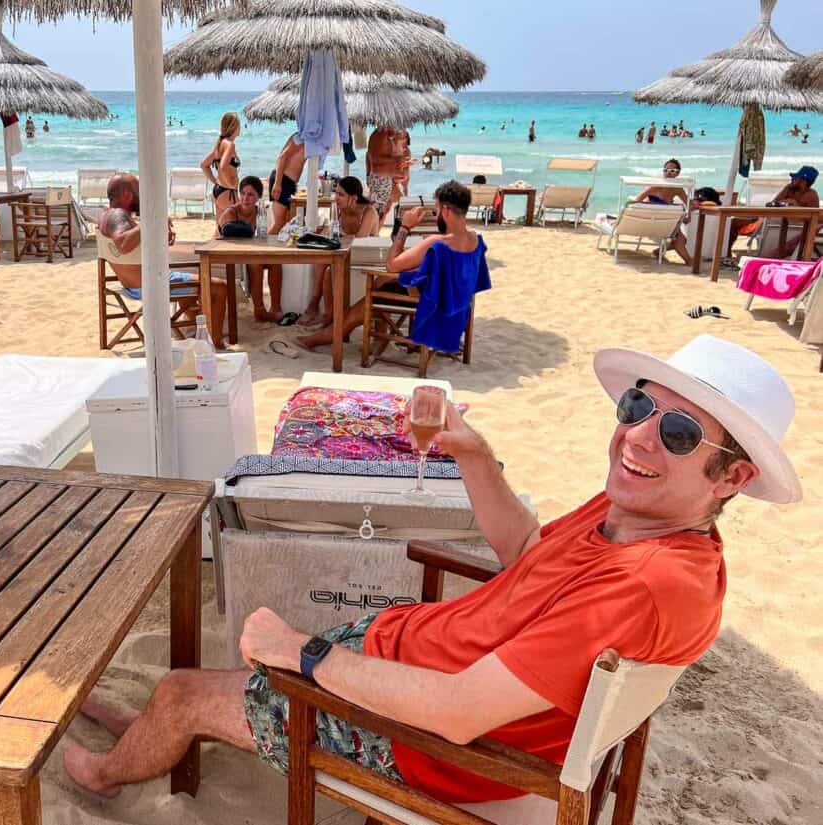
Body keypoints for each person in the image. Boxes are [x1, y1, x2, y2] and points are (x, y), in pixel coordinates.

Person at [65, 309, 801, 809]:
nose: (636, 438)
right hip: (408, 664)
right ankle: (155, 718)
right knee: (220, 673)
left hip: (425, 740)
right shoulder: (646, 524)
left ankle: (103, 772)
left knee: (192, 691)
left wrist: (306, 652)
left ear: (732, 476)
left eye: (676, 433)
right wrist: (475, 456)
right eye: (637, 408)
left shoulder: (644, 583)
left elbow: (456, 713)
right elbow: (525, 553)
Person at [298, 180, 477, 350]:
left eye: (437, 210)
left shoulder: (436, 242)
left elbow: (392, 264)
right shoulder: (474, 240)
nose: (435, 214)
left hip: (421, 300)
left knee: (377, 287)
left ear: (445, 211)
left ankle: (329, 334)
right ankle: (345, 328)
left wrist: (405, 227)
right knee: (382, 281)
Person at [98, 173, 228, 349]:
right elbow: (123, 243)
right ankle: (217, 344)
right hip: (150, 286)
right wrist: (154, 220)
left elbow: (133, 244)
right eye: (139, 192)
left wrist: (157, 228)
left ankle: (195, 331)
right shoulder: (118, 215)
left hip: (136, 283)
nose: (142, 196)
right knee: (219, 286)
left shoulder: (107, 215)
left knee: (190, 283)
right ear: (128, 195)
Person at [298, 176, 381, 329]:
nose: (336, 198)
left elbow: (360, 239)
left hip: (364, 257)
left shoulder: (369, 212)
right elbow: (335, 235)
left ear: (354, 197)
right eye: (336, 193)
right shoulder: (340, 211)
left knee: (329, 270)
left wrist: (338, 235)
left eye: (341, 194)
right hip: (345, 254)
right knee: (322, 260)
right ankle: (319, 307)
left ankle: (325, 313)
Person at [219, 176, 284, 323]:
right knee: (255, 263)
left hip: (247, 254)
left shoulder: (260, 212)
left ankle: (275, 307)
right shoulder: (231, 213)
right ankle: (259, 310)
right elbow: (227, 237)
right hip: (228, 255)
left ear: (258, 197)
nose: (245, 198)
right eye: (243, 193)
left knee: (276, 262)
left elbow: (264, 236)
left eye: (250, 194)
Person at [730, 165, 820, 259]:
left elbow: (812, 219)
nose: (792, 179)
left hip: (796, 228)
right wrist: (785, 202)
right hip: (782, 222)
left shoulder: (811, 196)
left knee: (734, 223)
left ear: (803, 181)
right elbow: (772, 204)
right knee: (734, 223)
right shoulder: (789, 189)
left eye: (795, 177)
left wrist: (795, 204)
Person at [664, 186, 722, 268]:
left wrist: (690, 210)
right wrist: (690, 210)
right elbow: (685, 220)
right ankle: (689, 261)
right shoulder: (686, 200)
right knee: (680, 240)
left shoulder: (687, 200)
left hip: (667, 221)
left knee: (681, 240)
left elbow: (685, 220)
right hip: (667, 221)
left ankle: (659, 251)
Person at [201, 112, 242, 219]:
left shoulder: (220, 144)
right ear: (234, 127)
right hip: (228, 193)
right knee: (234, 228)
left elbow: (204, 165)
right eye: (239, 124)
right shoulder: (230, 145)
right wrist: (230, 185)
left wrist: (216, 181)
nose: (240, 127)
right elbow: (223, 166)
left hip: (218, 191)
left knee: (220, 230)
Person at [268, 134, 306, 234]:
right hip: (282, 180)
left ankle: (277, 249)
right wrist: (277, 183)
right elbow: (283, 156)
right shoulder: (299, 137)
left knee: (286, 224)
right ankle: (263, 248)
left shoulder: (309, 139)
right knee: (278, 223)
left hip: (289, 182)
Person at [366, 127, 400, 224]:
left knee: (381, 209)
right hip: (380, 178)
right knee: (378, 210)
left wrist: (368, 175)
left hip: (378, 178)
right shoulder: (381, 136)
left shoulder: (379, 136)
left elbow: (369, 155)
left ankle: (374, 232)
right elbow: (376, 159)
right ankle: (373, 232)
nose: (396, 131)